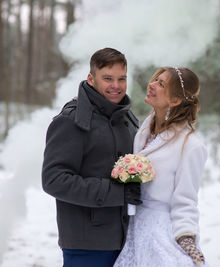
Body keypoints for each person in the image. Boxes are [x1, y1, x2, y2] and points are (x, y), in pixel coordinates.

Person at [42, 47, 142, 267]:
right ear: (91, 78)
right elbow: (54, 180)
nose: (116, 86)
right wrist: (117, 193)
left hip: (127, 240)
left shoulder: (129, 118)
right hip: (87, 244)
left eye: (121, 79)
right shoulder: (71, 120)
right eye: (107, 78)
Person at [114, 67, 209, 267]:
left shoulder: (191, 146)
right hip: (134, 230)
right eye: (156, 79)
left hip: (161, 236)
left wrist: (186, 237)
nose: (152, 84)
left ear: (175, 100)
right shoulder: (143, 132)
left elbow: (186, 200)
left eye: (161, 84)